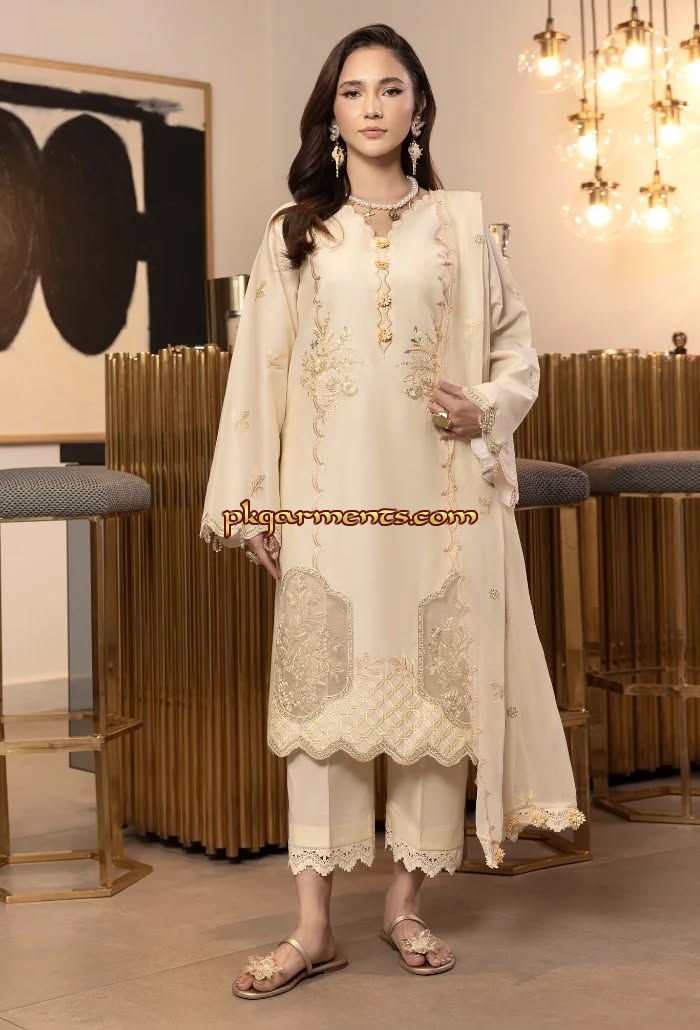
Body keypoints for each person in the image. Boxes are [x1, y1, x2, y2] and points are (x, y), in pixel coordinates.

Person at [201, 23, 585, 1000]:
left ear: (418, 109)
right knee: (319, 707)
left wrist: (486, 405)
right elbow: (258, 375)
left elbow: (517, 351)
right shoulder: (295, 233)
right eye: (352, 91)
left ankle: (405, 905)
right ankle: (312, 928)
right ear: (331, 115)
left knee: (435, 702)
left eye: (389, 89)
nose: (371, 106)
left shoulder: (461, 229)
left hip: (439, 502)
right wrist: (255, 505)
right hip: (328, 504)